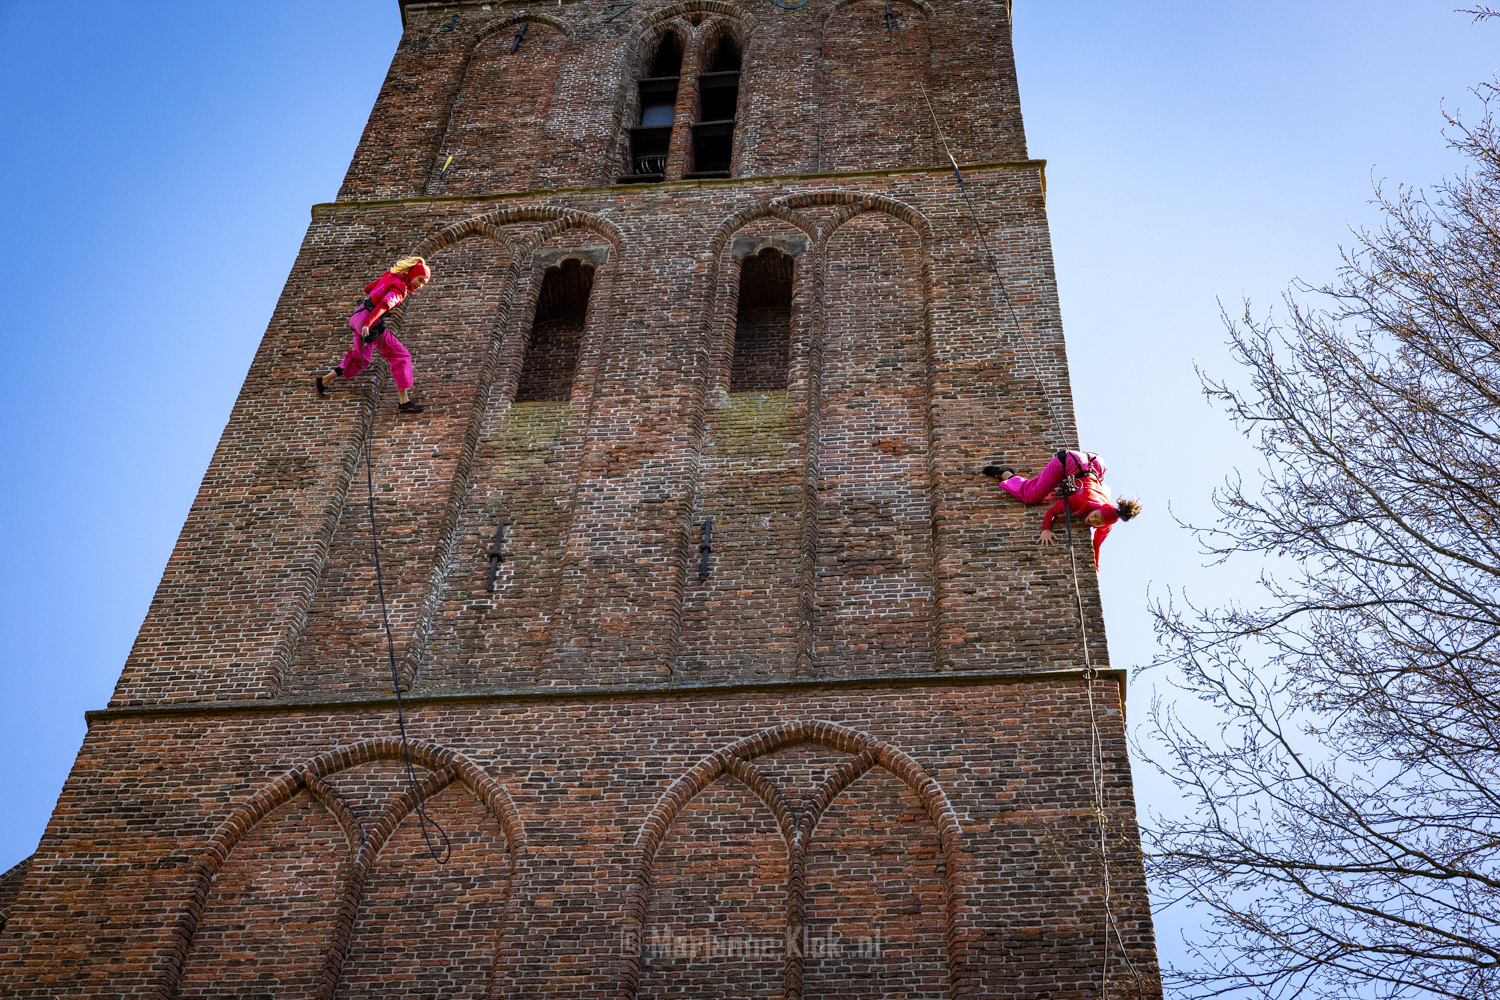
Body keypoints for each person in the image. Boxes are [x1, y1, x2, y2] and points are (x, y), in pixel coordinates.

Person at [983, 450, 1140, 567]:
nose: (1092, 520)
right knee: (1032, 495)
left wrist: (1096, 567)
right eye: (1095, 515)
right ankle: (1005, 474)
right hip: (1070, 461)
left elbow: (1096, 545)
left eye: (1097, 522)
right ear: (1097, 508)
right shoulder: (1081, 501)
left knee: (1083, 488)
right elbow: (1052, 511)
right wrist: (1046, 529)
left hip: (1097, 464)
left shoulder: (1107, 525)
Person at [315, 256, 431, 412]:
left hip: (357, 316)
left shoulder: (390, 276)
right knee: (401, 356)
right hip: (368, 322)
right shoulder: (400, 288)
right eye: (420, 279)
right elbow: (384, 304)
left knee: (360, 359)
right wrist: (369, 323)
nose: (420, 285)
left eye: (424, 283)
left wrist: (374, 300)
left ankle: (323, 381)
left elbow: (368, 289)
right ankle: (404, 401)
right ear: (413, 273)